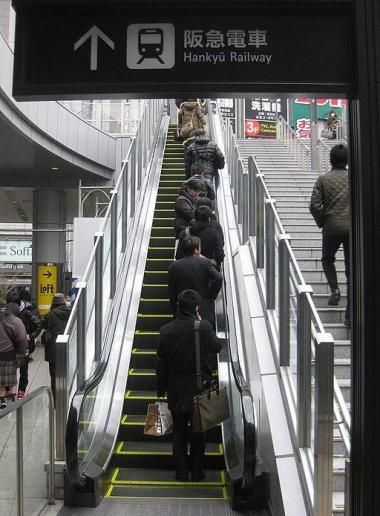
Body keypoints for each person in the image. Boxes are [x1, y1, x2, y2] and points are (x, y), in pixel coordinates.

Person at [156, 289, 222, 481]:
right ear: (196, 308)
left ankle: (181, 472)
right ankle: (197, 471)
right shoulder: (204, 327)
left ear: (178, 306)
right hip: (199, 388)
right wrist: (202, 323)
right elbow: (217, 347)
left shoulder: (166, 331)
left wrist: (161, 388)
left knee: (178, 430)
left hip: (176, 389)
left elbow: (161, 363)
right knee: (199, 431)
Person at [309, 143, 350, 326]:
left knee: (327, 259)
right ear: (347, 160)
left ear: (331, 159)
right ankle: (350, 313)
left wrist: (323, 221)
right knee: (351, 268)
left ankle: (334, 289)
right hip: (352, 228)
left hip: (332, 228)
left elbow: (314, 205)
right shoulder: (354, 178)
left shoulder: (323, 179)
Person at [168, 236, 223, 326]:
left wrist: (175, 312)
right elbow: (218, 278)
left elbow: (172, 293)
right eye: (200, 247)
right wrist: (211, 295)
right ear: (196, 250)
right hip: (204, 309)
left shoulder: (173, 267)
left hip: (183, 311)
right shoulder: (205, 263)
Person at [6, 289, 41, 399]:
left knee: (23, 368)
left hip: (24, 344)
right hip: (10, 344)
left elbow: (38, 325)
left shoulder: (27, 312)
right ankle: (9, 390)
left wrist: (30, 336)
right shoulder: (6, 313)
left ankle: (21, 391)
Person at [41, 293, 71, 401]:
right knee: (66, 372)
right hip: (68, 346)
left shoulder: (50, 314)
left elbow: (43, 325)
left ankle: (56, 399)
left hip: (53, 348)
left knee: (54, 375)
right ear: (63, 301)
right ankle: (66, 396)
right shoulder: (70, 313)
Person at [0, 302, 27, 408]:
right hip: (9, 354)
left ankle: (2, 400)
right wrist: (22, 352)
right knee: (12, 380)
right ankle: (13, 398)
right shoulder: (17, 321)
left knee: (0, 380)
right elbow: (22, 338)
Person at [186, 206, 225, 270]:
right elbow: (220, 253)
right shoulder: (214, 233)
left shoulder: (188, 231)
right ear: (209, 218)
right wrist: (216, 262)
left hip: (191, 267)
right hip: (209, 268)